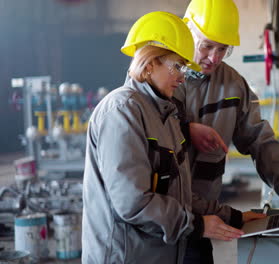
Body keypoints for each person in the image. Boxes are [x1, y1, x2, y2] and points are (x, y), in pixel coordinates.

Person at [81, 11, 244, 264]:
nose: (182, 77)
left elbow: (179, 195)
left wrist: (234, 216)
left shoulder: (165, 116)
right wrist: (198, 225)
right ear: (149, 63)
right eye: (177, 66)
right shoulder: (122, 111)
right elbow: (133, 203)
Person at [172, 0, 279, 263]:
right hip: (161, 220)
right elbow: (141, 130)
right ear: (187, 31)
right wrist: (185, 128)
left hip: (203, 221)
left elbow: (260, 139)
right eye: (207, 46)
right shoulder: (162, 74)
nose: (214, 57)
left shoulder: (233, 85)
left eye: (223, 49)